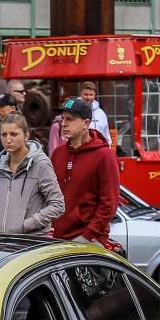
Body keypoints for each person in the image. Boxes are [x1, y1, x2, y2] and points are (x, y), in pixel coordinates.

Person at [49, 98, 120, 247]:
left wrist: (89, 235)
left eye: (70, 119)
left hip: (89, 240)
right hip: (58, 238)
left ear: (86, 123)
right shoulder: (58, 154)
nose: (63, 124)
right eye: (63, 119)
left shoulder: (104, 155)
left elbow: (109, 202)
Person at [0, 115, 64, 235]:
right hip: (1, 241)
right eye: (4, 135)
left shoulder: (40, 164)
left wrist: (26, 225)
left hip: (30, 241)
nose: (8, 140)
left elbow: (58, 205)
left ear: (26, 135)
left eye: (14, 134)